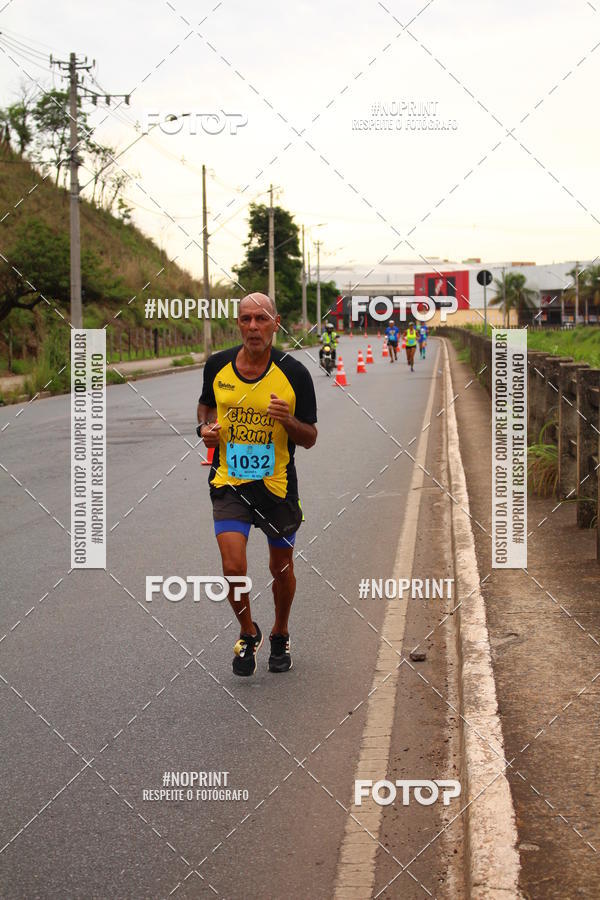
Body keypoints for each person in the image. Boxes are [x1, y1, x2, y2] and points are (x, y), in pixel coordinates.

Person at [197, 293, 318, 677]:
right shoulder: (217, 365)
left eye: (261, 319)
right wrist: (204, 429)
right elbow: (205, 406)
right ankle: (249, 633)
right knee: (233, 565)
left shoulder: (294, 372)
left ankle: (280, 632)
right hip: (229, 481)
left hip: (276, 486)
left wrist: (287, 421)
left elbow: (310, 436)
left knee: (280, 567)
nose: (253, 327)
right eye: (246, 319)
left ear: (275, 323)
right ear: (238, 323)